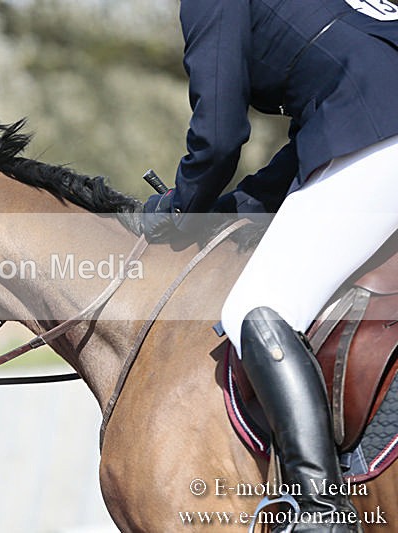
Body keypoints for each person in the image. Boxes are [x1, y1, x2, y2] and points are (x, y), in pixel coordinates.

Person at [142, 1, 398, 531]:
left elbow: (218, 135)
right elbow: (319, 132)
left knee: (253, 309)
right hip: (374, 125)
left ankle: (320, 509)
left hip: (382, 141)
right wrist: (234, 207)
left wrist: (180, 208)